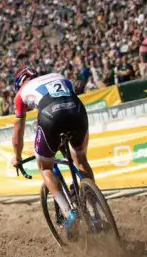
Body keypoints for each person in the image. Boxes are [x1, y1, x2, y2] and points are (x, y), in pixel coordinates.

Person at [11, 66, 94, 236]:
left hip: (50, 117)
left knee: (45, 167)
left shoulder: (21, 93)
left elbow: (18, 130)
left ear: (20, 83)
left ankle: (69, 213)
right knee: (80, 160)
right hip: (77, 111)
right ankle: (95, 212)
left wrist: (17, 157)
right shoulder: (58, 76)